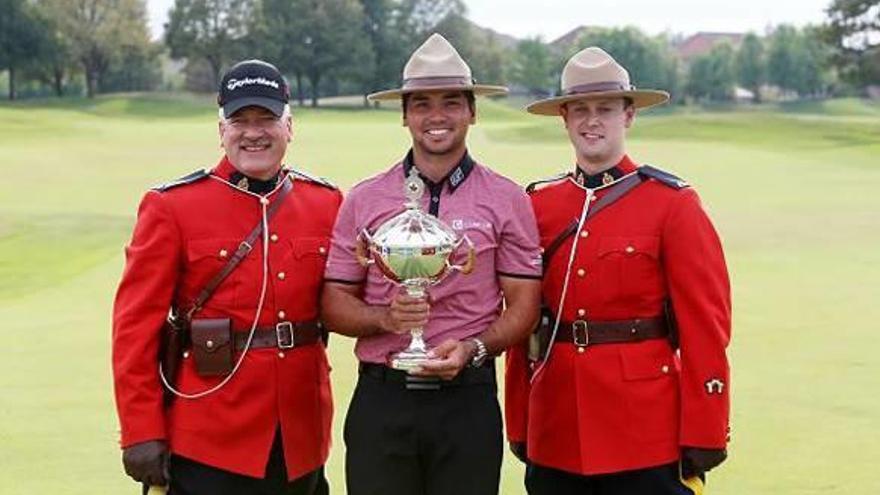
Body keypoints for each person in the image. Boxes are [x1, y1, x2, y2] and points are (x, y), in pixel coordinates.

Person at [320, 34, 542, 495]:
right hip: (383, 399)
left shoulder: (507, 198)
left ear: (472, 112)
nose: (436, 117)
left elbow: (524, 305)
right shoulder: (364, 199)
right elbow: (332, 303)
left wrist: (474, 348)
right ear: (404, 115)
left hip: (468, 401)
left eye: (451, 103)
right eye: (421, 104)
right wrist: (384, 317)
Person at [504, 47, 732, 495]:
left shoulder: (672, 204)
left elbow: (706, 326)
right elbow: (524, 324)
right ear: (564, 119)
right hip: (557, 427)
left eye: (605, 109)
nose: (592, 121)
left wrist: (705, 430)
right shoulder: (537, 206)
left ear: (628, 115)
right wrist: (520, 418)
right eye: (580, 110)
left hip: (644, 432)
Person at [112, 59, 341, 495]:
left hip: (302, 436)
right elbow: (134, 328)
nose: (253, 132)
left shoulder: (326, 203)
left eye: (267, 119)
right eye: (240, 121)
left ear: (289, 126)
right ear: (221, 131)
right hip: (210, 437)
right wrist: (140, 430)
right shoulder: (172, 206)